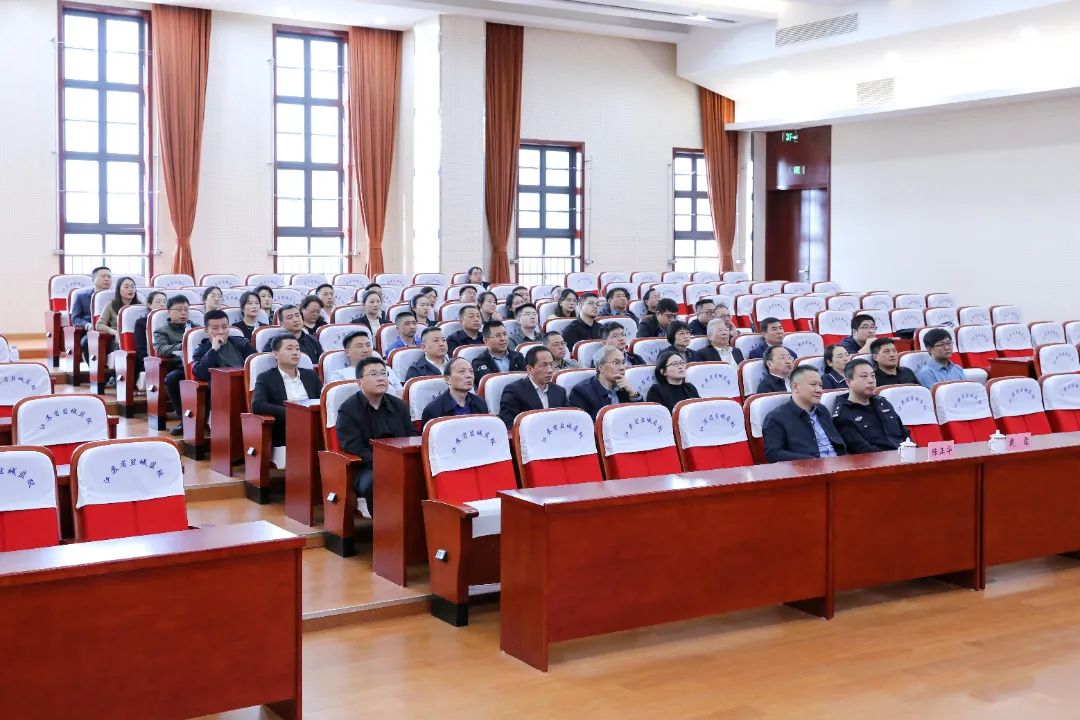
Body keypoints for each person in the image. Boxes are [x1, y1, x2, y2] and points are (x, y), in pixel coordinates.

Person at [335, 355, 418, 518]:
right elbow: (352, 446)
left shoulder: (399, 405)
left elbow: (412, 435)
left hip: (401, 462)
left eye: (383, 373)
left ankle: (415, 524)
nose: (380, 378)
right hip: (367, 467)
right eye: (373, 374)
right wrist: (384, 463)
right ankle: (385, 527)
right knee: (377, 481)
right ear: (359, 382)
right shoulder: (348, 409)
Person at [762, 366, 847, 462]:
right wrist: (811, 461)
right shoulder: (776, 417)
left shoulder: (822, 409)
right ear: (795, 387)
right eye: (813, 384)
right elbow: (773, 453)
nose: (819, 390)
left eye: (820, 385)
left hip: (840, 463)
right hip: (810, 467)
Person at [251, 334, 323, 447]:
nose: (295, 353)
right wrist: (292, 413)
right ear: (276, 354)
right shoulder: (266, 377)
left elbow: (323, 400)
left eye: (297, 349)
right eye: (289, 349)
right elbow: (257, 405)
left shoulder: (310, 375)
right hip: (286, 428)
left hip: (314, 424)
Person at [832, 359, 910, 454]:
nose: (871, 380)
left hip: (903, 457)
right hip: (878, 460)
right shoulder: (843, 414)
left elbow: (906, 436)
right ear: (848, 382)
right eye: (864, 376)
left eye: (873, 376)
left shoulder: (883, 403)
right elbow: (861, 449)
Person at [154, 295, 200, 436]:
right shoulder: (162, 331)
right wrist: (185, 345)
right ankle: (184, 419)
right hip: (179, 367)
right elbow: (161, 349)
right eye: (179, 310)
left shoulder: (196, 329)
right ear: (169, 312)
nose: (183, 313)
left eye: (186, 310)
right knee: (172, 379)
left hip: (198, 365)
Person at [497, 346, 569, 428]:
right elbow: (508, 425)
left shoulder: (559, 391)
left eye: (551, 364)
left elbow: (568, 420)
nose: (550, 370)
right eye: (544, 365)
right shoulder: (514, 391)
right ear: (530, 369)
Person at [191, 310, 255, 399]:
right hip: (220, 394)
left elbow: (256, 366)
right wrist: (213, 349)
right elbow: (201, 374)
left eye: (224, 327)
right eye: (215, 328)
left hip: (246, 385)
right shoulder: (201, 351)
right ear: (206, 331)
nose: (221, 331)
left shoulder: (242, 344)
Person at [569, 345, 642, 420]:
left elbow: (641, 417)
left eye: (623, 362)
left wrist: (633, 394)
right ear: (601, 368)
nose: (622, 368)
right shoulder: (581, 391)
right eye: (616, 362)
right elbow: (585, 422)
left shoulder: (625, 387)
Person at [330, 331, 403, 395]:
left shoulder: (386, 369)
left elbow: (400, 393)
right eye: (359, 346)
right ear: (347, 352)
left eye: (368, 345)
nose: (366, 350)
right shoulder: (339, 375)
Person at [420, 357, 489, 425]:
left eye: (471, 371)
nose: (469, 375)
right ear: (447, 379)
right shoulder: (433, 410)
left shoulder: (480, 403)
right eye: (462, 371)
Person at [96, 276, 139, 345]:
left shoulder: (139, 306)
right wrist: (115, 332)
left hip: (137, 338)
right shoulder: (110, 305)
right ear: (119, 290)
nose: (131, 289)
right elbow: (99, 325)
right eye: (126, 287)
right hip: (118, 339)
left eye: (133, 287)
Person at [71, 265, 112, 333]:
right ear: (93, 280)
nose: (106, 279)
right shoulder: (81, 296)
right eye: (103, 276)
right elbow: (75, 318)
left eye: (109, 276)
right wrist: (88, 326)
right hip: (91, 331)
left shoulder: (116, 296)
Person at [134, 291, 166, 373]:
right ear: (149, 305)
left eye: (164, 302)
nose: (162, 304)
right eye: (158, 302)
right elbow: (141, 348)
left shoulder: (171, 321)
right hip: (148, 360)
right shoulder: (141, 322)